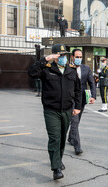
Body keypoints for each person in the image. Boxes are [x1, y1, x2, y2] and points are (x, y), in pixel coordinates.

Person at [28, 44, 82, 180]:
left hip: (67, 110)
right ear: (55, 56)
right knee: (55, 138)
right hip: (51, 110)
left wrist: (77, 107)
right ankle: (56, 168)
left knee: (62, 138)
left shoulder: (71, 71)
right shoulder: (47, 69)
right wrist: (46, 59)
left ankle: (58, 159)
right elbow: (31, 73)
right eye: (60, 55)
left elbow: (78, 90)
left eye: (65, 55)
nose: (64, 57)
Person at [68, 49, 96, 155]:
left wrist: (93, 96)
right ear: (72, 57)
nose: (79, 59)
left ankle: (71, 137)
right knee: (74, 121)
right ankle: (77, 146)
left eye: (80, 57)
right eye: (77, 57)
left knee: (77, 120)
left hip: (81, 99)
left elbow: (91, 82)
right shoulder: (67, 68)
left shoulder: (86, 68)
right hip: (71, 99)